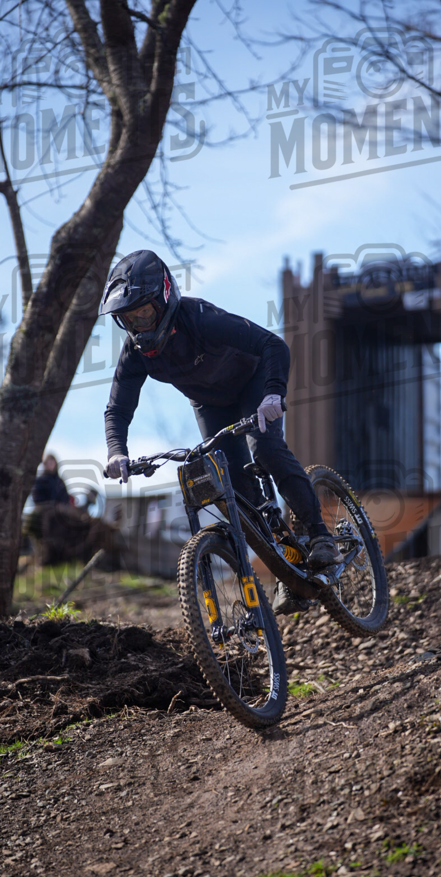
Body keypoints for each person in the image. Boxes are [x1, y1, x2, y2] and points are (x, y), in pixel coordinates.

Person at [99, 250, 342, 615]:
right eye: (128, 319)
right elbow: (117, 408)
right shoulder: (136, 352)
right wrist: (117, 451)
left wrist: (274, 392)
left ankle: (321, 536)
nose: (139, 326)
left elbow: (272, 344)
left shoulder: (200, 319)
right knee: (234, 489)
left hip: (254, 383)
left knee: (265, 450)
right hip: (210, 403)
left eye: (144, 314)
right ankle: (288, 565)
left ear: (164, 298)